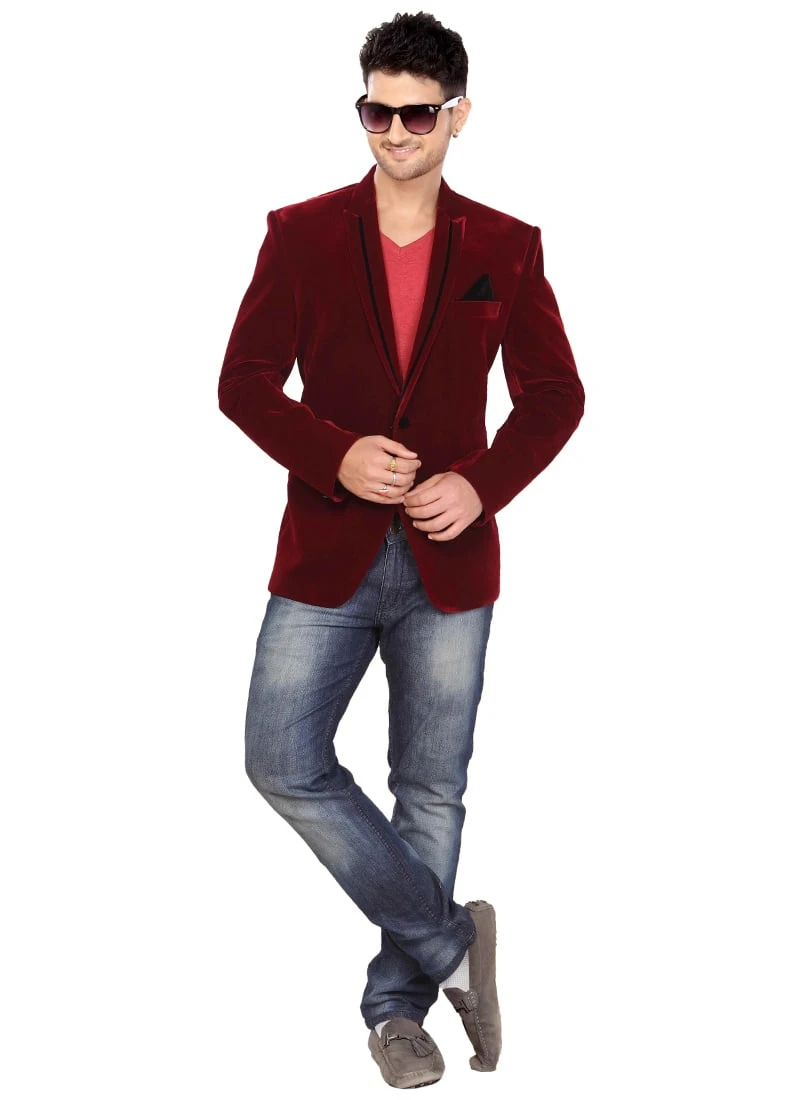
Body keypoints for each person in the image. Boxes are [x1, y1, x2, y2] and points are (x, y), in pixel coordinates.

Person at [218, 10, 584, 1089]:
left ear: (458, 116)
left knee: (430, 789)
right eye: (375, 112)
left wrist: (482, 483)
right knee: (280, 759)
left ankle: (398, 1012)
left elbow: (555, 395)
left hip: (448, 563)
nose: (393, 132)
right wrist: (332, 454)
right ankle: (449, 940)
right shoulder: (300, 233)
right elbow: (243, 382)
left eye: (417, 115)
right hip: (324, 555)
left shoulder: (506, 246)